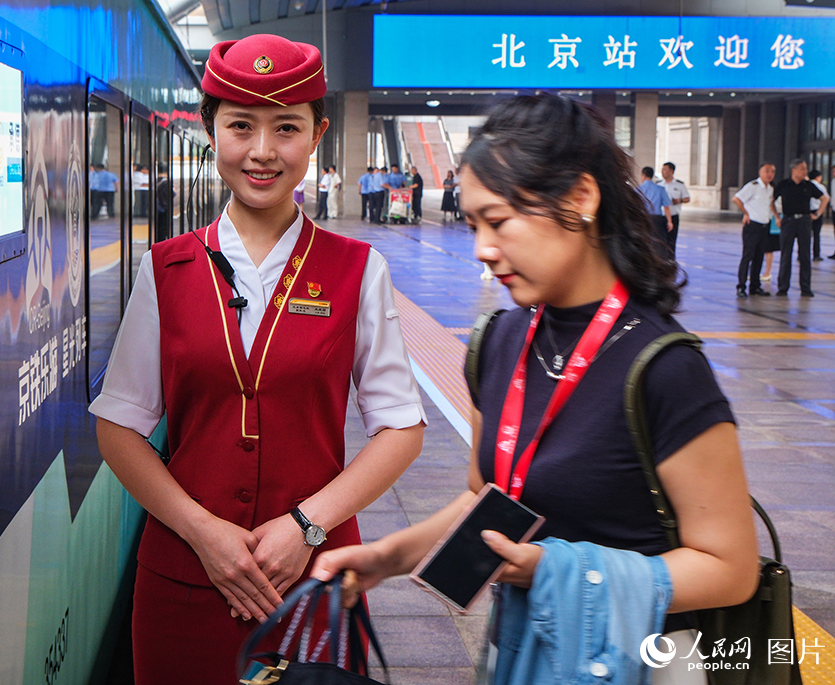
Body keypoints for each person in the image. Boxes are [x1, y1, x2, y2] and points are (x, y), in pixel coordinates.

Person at [311, 95, 758, 685]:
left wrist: (554, 571)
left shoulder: (664, 368)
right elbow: (487, 503)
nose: (482, 249)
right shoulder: (499, 342)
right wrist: (385, 558)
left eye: (498, 221)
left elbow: (730, 568)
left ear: (580, 198)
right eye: (473, 226)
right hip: (529, 652)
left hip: (640, 664)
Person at [88, 33, 426, 685]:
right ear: (210, 130)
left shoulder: (359, 270)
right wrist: (204, 532)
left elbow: (402, 427)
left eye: (287, 128)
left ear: (318, 133)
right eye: (241, 125)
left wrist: (308, 524)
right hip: (183, 579)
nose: (263, 151)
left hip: (312, 580)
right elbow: (119, 425)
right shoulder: (164, 268)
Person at [772, 159, 828, 297]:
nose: (805, 171)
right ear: (794, 170)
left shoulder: (808, 186)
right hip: (788, 220)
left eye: (805, 169)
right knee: (786, 254)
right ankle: (783, 287)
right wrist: (777, 217)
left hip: (804, 221)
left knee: (805, 255)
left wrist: (817, 214)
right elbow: (771, 201)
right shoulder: (784, 185)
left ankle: (806, 288)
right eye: (802, 169)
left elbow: (825, 198)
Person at [732, 163, 776, 298]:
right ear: (760, 172)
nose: (770, 174)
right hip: (752, 226)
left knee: (759, 257)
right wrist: (746, 213)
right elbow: (736, 199)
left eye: (772, 172)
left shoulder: (770, 189)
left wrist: (777, 217)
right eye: (767, 171)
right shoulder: (753, 186)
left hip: (764, 226)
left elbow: (770, 204)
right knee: (748, 256)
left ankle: (755, 287)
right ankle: (741, 286)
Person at [657, 162, 689, 258]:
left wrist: (680, 200)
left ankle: (670, 261)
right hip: (660, 216)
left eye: (665, 169)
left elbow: (687, 198)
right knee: (660, 240)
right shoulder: (658, 184)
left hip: (673, 216)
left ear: (672, 171)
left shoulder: (679, 185)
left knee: (671, 241)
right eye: (662, 169)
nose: (663, 172)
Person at [637, 166, 672, 252]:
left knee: (643, 240)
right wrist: (670, 221)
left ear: (643, 176)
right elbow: (666, 207)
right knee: (657, 242)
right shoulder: (660, 189)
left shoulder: (637, 190)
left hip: (642, 218)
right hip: (656, 219)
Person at [809, 169, 829, 262]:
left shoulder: (806, 185)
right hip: (817, 211)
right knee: (816, 234)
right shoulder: (820, 187)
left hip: (807, 212)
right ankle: (816, 255)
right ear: (818, 177)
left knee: (805, 235)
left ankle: (802, 254)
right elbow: (826, 198)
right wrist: (818, 213)